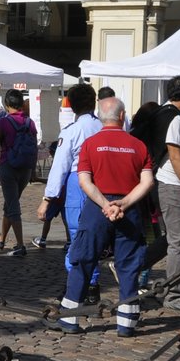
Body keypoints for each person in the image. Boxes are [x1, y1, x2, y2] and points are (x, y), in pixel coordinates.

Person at [56, 97, 155, 337]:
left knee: (84, 260)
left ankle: (70, 318)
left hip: (96, 209)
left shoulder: (90, 144)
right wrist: (124, 204)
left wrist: (104, 204)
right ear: (122, 117)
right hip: (128, 209)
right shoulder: (138, 145)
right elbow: (147, 181)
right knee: (129, 265)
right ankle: (126, 324)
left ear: (101, 117)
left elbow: (84, 181)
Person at [131, 75, 180, 313]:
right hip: (172, 185)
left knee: (170, 238)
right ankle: (174, 294)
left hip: (161, 184)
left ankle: (131, 266)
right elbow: (175, 156)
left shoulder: (160, 113)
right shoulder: (174, 119)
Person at [36, 83, 102, 301]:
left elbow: (60, 167)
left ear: (72, 106)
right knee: (95, 237)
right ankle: (92, 284)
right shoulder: (103, 127)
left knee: (76, 236)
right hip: (101, 184)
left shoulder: (72, 132)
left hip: (78, 185)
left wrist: (48, 198)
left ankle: (78, 286)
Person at [0, 88, 38, 256]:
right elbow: (35, 146)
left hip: (9, 166)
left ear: (7, 104)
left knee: (13, 206)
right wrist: (32, 169)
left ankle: (19, 245)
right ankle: (2, 239)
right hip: (25, 168)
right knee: (10, 203)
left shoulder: (4, 122)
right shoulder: (29, 122)